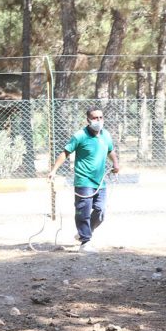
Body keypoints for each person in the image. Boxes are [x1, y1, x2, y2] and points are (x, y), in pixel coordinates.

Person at [48, 108, 119, 253]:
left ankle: (84, 232)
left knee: (100, 211)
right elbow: (65, 153)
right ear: (88, 120)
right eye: (95, 118)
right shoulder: (80, 136)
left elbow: (110, 151)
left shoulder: (106, 135)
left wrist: (116, 164)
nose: (98, 120)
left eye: (100, 117)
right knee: (83, 212)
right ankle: (85, 242)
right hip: (84, 180)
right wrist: (54, 170)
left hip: (100, 181)